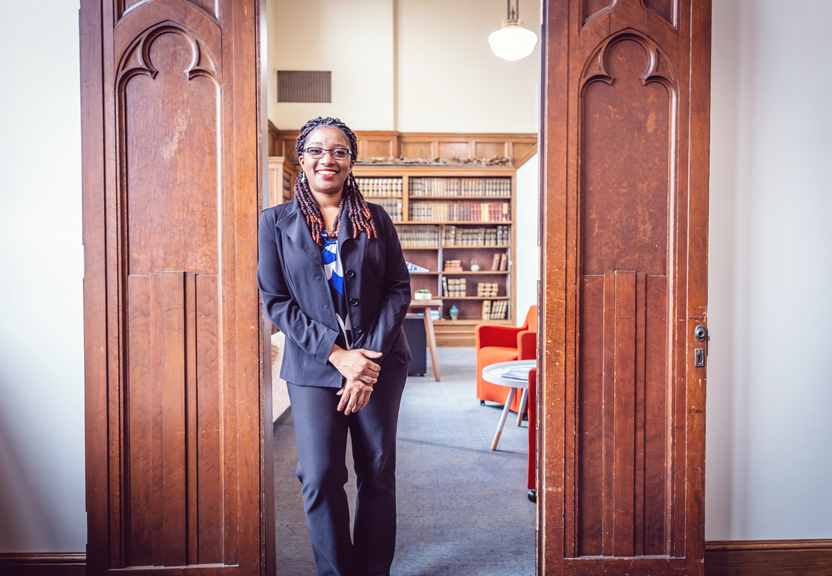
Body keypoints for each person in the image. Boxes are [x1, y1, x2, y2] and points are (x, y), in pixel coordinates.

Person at [257, 116, 411, 576]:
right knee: (320, 476)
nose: (329, 159)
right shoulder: (274, 223)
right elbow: (276, 301)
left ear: (351, 161)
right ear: (301, 158)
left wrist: (364, 362)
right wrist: (339, 356)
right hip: (314, 367)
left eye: (340, 151)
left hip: (378, 363)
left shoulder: (374, 218)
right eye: (318, 150)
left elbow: (398, 288)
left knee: (377, 473)